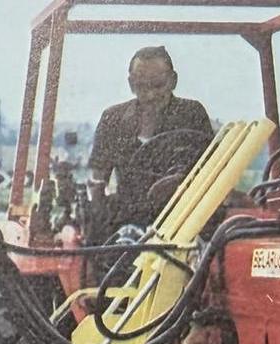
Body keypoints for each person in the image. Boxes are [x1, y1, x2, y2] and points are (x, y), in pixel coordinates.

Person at [88, 46, 214, 227]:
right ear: (131, 84)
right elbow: (98, 178)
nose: (150, 94)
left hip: (183, 221)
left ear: (173, 80)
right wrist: (97, 207)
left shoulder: (192, 114)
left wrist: (180, 181)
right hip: (126, 224)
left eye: (158, 85)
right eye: (141, 86)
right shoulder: (112, 118)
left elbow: (210, 170)